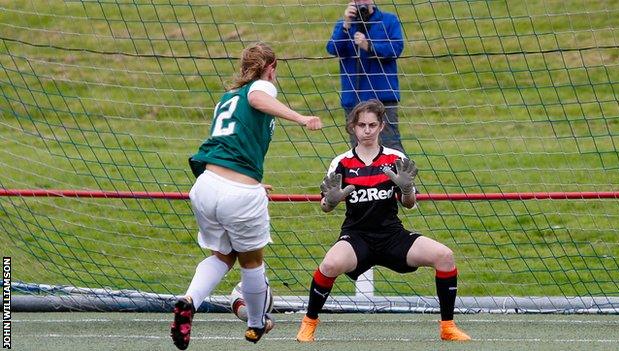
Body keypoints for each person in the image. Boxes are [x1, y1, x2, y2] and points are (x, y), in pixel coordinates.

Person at [170, 42, 322, 350]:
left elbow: (231, 144)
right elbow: (257, 97)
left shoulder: (226, 98)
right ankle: (255, 324)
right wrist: (302, 118)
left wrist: (252, 182)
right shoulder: (261, 87)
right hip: (236, 192)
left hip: (207, 183)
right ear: (270, 69)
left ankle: (188, 301)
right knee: (252, 261)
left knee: (223, 256)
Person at [295, 99, 470, 342]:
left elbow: (408, 204)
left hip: (391, 235)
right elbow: (325, 206)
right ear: (352, 127)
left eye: (372, 125)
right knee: (329, 265)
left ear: (381, 127)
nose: (367, 130)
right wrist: (332, 201)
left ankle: (448, 327)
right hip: (356, 237)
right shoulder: (341, 163)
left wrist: (407, 189)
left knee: (444, 256)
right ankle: (308, 324)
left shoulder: (395, 158)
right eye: (362, 125)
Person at [327, 0, 406, 153]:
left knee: (391, 146)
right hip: (354, 98)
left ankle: (401, 177)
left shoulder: (389, 20)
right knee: (359, 149)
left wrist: (369, 46)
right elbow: (333, 48)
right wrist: (346, 26)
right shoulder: (344, 24)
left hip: (382, 97)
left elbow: (396, 48)